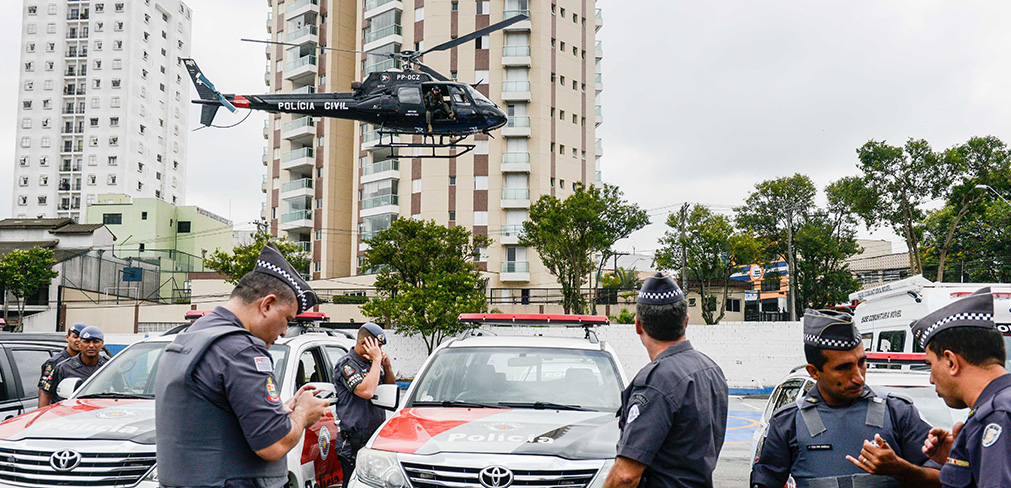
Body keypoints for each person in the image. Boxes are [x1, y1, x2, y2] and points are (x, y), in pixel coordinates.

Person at [154, 242, 329, 488]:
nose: (283, 332)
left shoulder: (196, 334)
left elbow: (212, 418)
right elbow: (274, 444)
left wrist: (281, 412)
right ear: (267, 305)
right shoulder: (242, 350)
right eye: (287, 319)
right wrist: (303, 414)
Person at [751, 309, 939, 488]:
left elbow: (945, 480)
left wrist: (900, 469)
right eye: (843, 368)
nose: (858, 377)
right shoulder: (788, 422)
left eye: (862, 363)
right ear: (814, 372)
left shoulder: (898, 412)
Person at [602, 272, 729, 488]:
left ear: (638, 326)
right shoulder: (711, 369)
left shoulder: (657, 381)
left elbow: (626, 476)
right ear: (686, 321)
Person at [913, 288, 1011, 488]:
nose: (931, 379)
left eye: (930, 365)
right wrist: (962, 458)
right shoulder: (999, 407)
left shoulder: (997, 416)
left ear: (950, 361)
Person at [333, 322, 395, 488]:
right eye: (378, 346)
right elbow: (366, 391)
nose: (380, 351)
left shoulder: (371, 364)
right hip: (353, 442)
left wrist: (387, 367)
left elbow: (389, 389)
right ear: (363, 344)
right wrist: (376, 360)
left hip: (373, 438)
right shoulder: (347, 364)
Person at [45, 325, 109, 404]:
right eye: (86, 342)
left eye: (96, 342)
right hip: (70, 412)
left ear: (102, 344)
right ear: (80, 344)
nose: (91, 345)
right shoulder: (64, 367)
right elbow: (46, 394)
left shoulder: (109, 366)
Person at [37, 322, 85, 407]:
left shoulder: (89, 362)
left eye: (81, 338)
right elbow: (43, 392)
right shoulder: (55, 362)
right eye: (75, 337)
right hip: (60, 411)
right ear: (67, 338)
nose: (78, 340)